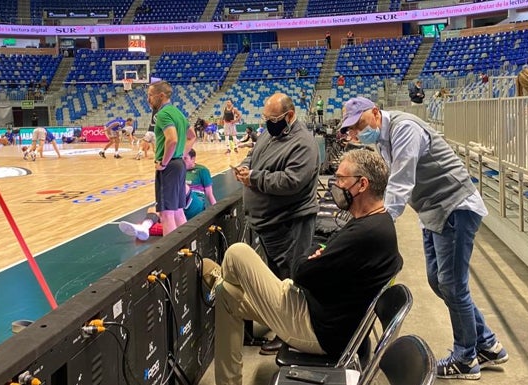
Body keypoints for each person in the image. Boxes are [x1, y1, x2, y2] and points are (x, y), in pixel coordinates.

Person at [339, 97, 508, 380]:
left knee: (453, 286)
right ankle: (487, 343)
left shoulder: (405, 129)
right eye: (352, 128)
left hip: (454, 207)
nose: (357, 131)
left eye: (360, 123)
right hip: (433, 210)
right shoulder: (383, 139)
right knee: (438, 281)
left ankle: (466, 357)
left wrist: (378, 224)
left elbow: (402, 183)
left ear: (376, 113)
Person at [207, 149, 403, 385]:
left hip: (316, 329)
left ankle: (220, 276)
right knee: (227, 294)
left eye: (341, 179)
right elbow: (318, 264)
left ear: (362, 184)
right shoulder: (376, 224)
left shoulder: (365, 234)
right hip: (317, 310)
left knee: (237, 253)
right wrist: (317, 255)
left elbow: (300, 272)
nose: (335, 184)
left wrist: (313, 254)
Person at [233, 92, 320, 354]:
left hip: (290, 225)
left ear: (289, 116)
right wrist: (244, 166)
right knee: (276, 281)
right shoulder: (271, 135)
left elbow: (291, 181)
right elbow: (254, 157)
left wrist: (254, 178)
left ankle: (291, 336)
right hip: (270, 225)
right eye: (266, 118)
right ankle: (281, 326)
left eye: (272, 118)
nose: (268, 123)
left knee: (289, 282)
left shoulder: (303, 143)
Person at [148, 80, 196, 235]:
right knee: (178, 211)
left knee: (166, 214)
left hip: (169, 167)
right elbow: (192, 136)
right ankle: (186, 247)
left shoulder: (162, 114)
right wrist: (182, 153)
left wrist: (163, 162)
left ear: (160, 96)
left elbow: (172, 139)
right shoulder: (178, 113)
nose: (148, 99)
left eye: (150, 95)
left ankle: (172, 256)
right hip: (179, 165)